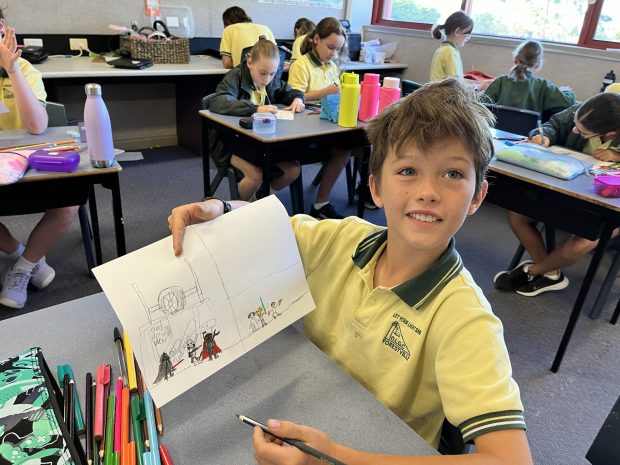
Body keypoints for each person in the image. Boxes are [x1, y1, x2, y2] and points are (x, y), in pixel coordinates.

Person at [169, 78, 533, 464]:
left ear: (477, 196)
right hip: (306, 410)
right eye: (408, 170)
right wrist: (223, 210)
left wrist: (334, 458)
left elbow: (511, 461)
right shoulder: (344, 239)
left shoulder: (465, 317)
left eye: (453, 174)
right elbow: (266, 224)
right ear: (375, 188)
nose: (428, 191)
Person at [494, 91, 620, 296]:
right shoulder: (583, 112)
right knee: (518, 215)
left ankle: (533, 271)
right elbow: (553, 124)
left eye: (582, 133)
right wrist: (544, 135)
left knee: (580, 242)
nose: (574, 130)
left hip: (611, 204)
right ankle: (551, 273)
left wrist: (617, 155)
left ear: (612, 133)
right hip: (571, 188)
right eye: (575, 124)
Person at [0, 11, 78, 309]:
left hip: (31, 162)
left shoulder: (25, 70)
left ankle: (21, 269)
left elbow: (36, 126)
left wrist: (12, 70)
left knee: (69, 203)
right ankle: (27, 257)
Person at [210, 37, 305, 201]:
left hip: (262, 143)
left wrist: (298, 99)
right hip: (231, 143)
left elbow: (289, 91)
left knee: (293, 169)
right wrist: (254, 109)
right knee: (255, 174)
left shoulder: (270, 80)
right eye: (263, 73)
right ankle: (238, 211)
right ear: (250, 63)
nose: (267, 79)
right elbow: (218, 101)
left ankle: (263, 198)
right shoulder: (235, 76)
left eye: (272, 74)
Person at [287, 17, 354, 219]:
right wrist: (326, 92)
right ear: (316, 39)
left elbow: (333, 97)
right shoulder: (301, 65)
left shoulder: (331, 66)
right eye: (330, 47)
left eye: (337, 49)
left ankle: (366, 190)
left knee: (359, 145)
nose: (333, 53)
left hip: (326, 123)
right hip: (305, 129)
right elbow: (294, 96)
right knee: (344, 149)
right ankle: (321, 204)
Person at [483, 40, 575, 115]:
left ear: (515, 59)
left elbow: (482, 107)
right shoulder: (544, 86)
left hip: (497, 131)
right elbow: (568, 103)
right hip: (531, 133)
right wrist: (566, 91)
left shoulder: (500, 82)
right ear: (538, 65)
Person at [429, 11, 473, 82]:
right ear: (457, 32)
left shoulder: (443, 48)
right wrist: (479, 85)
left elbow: (457, 80)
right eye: (467, 35)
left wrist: (478, 83)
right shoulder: (450, 52)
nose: (468, 38)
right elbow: (456, 83)